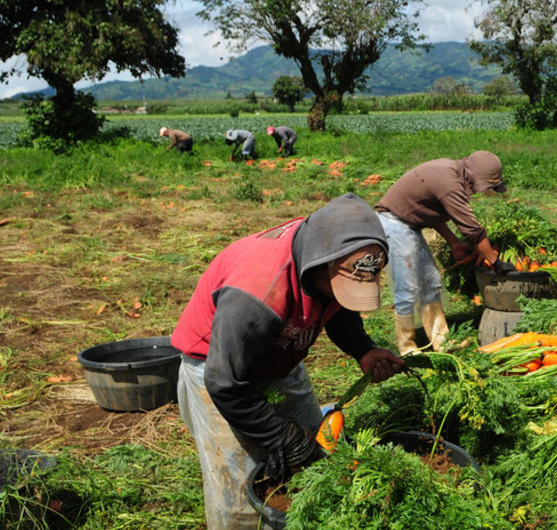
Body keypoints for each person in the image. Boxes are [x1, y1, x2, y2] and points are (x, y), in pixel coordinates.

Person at [171, 194, 405, 529]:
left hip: (280, 354)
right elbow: (224, 381)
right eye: (342, 285)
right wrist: (283, 438)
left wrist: (363, 349)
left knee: (318, 452)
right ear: (320, 262)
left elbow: (338, 307)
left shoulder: (327, 257)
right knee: (243, 486)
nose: (345, 294)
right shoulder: (256, 294)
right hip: (220, 370)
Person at [375, 151, 515, 354]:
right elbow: (472, 231)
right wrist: (495, 261)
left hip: (409, 224)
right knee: (408, 287)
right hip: (394, 225)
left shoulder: (453, 172)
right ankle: (407, 348)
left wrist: (454, 242)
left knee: (431, 281)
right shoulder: (450, 184)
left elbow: (432, 213)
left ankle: (442, 341)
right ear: (476, 178)